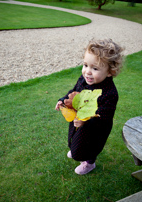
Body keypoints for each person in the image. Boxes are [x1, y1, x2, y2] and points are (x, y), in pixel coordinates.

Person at [55, 39, 124, 175]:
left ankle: (89, 163)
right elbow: (73, 92)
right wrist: (63, 100)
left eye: (95, 68)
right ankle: (76, 150)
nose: (87, 72)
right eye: (85, 65)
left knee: (90, 146)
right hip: (78, 119)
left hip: (95, 128)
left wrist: (86, 121)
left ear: (110, 71)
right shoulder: (83, 79)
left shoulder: (110, 93)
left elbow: (104, 117)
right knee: (75, 139)